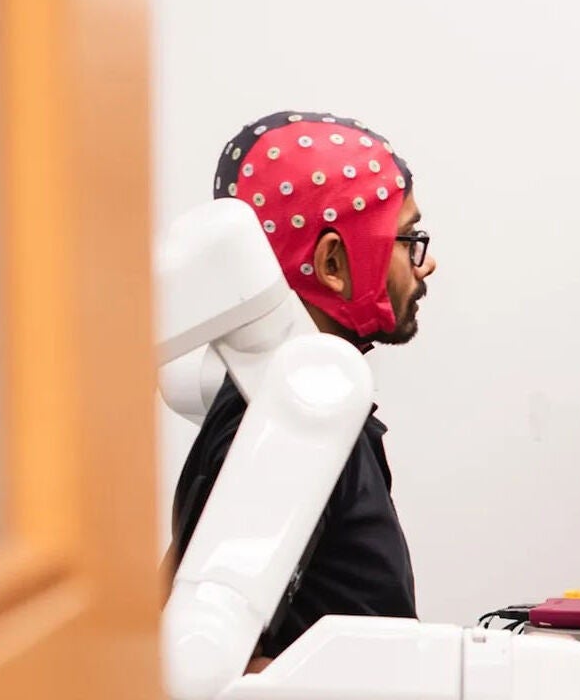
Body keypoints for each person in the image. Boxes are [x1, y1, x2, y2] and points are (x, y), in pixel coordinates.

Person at [169, 111, 435, 670]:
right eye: (408, 239)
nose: (426, 262)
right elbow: (214, 670)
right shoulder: (289, 424)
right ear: (333, 264)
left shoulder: (281, 409)